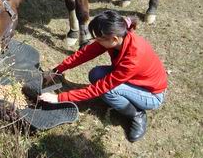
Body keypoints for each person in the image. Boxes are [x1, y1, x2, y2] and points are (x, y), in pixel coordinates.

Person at [38, 10, 167, 142]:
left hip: (151, 94)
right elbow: (84, 54)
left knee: (108, 91)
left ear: (114, 39)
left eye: (99, 39)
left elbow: (99, 89)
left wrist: (59, 98)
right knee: (95, 74)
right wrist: (57, 70)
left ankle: (137, 114)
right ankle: (121, 100)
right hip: (135, 80)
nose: (97, 42)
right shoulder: (115, 37)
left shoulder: (134, 57)